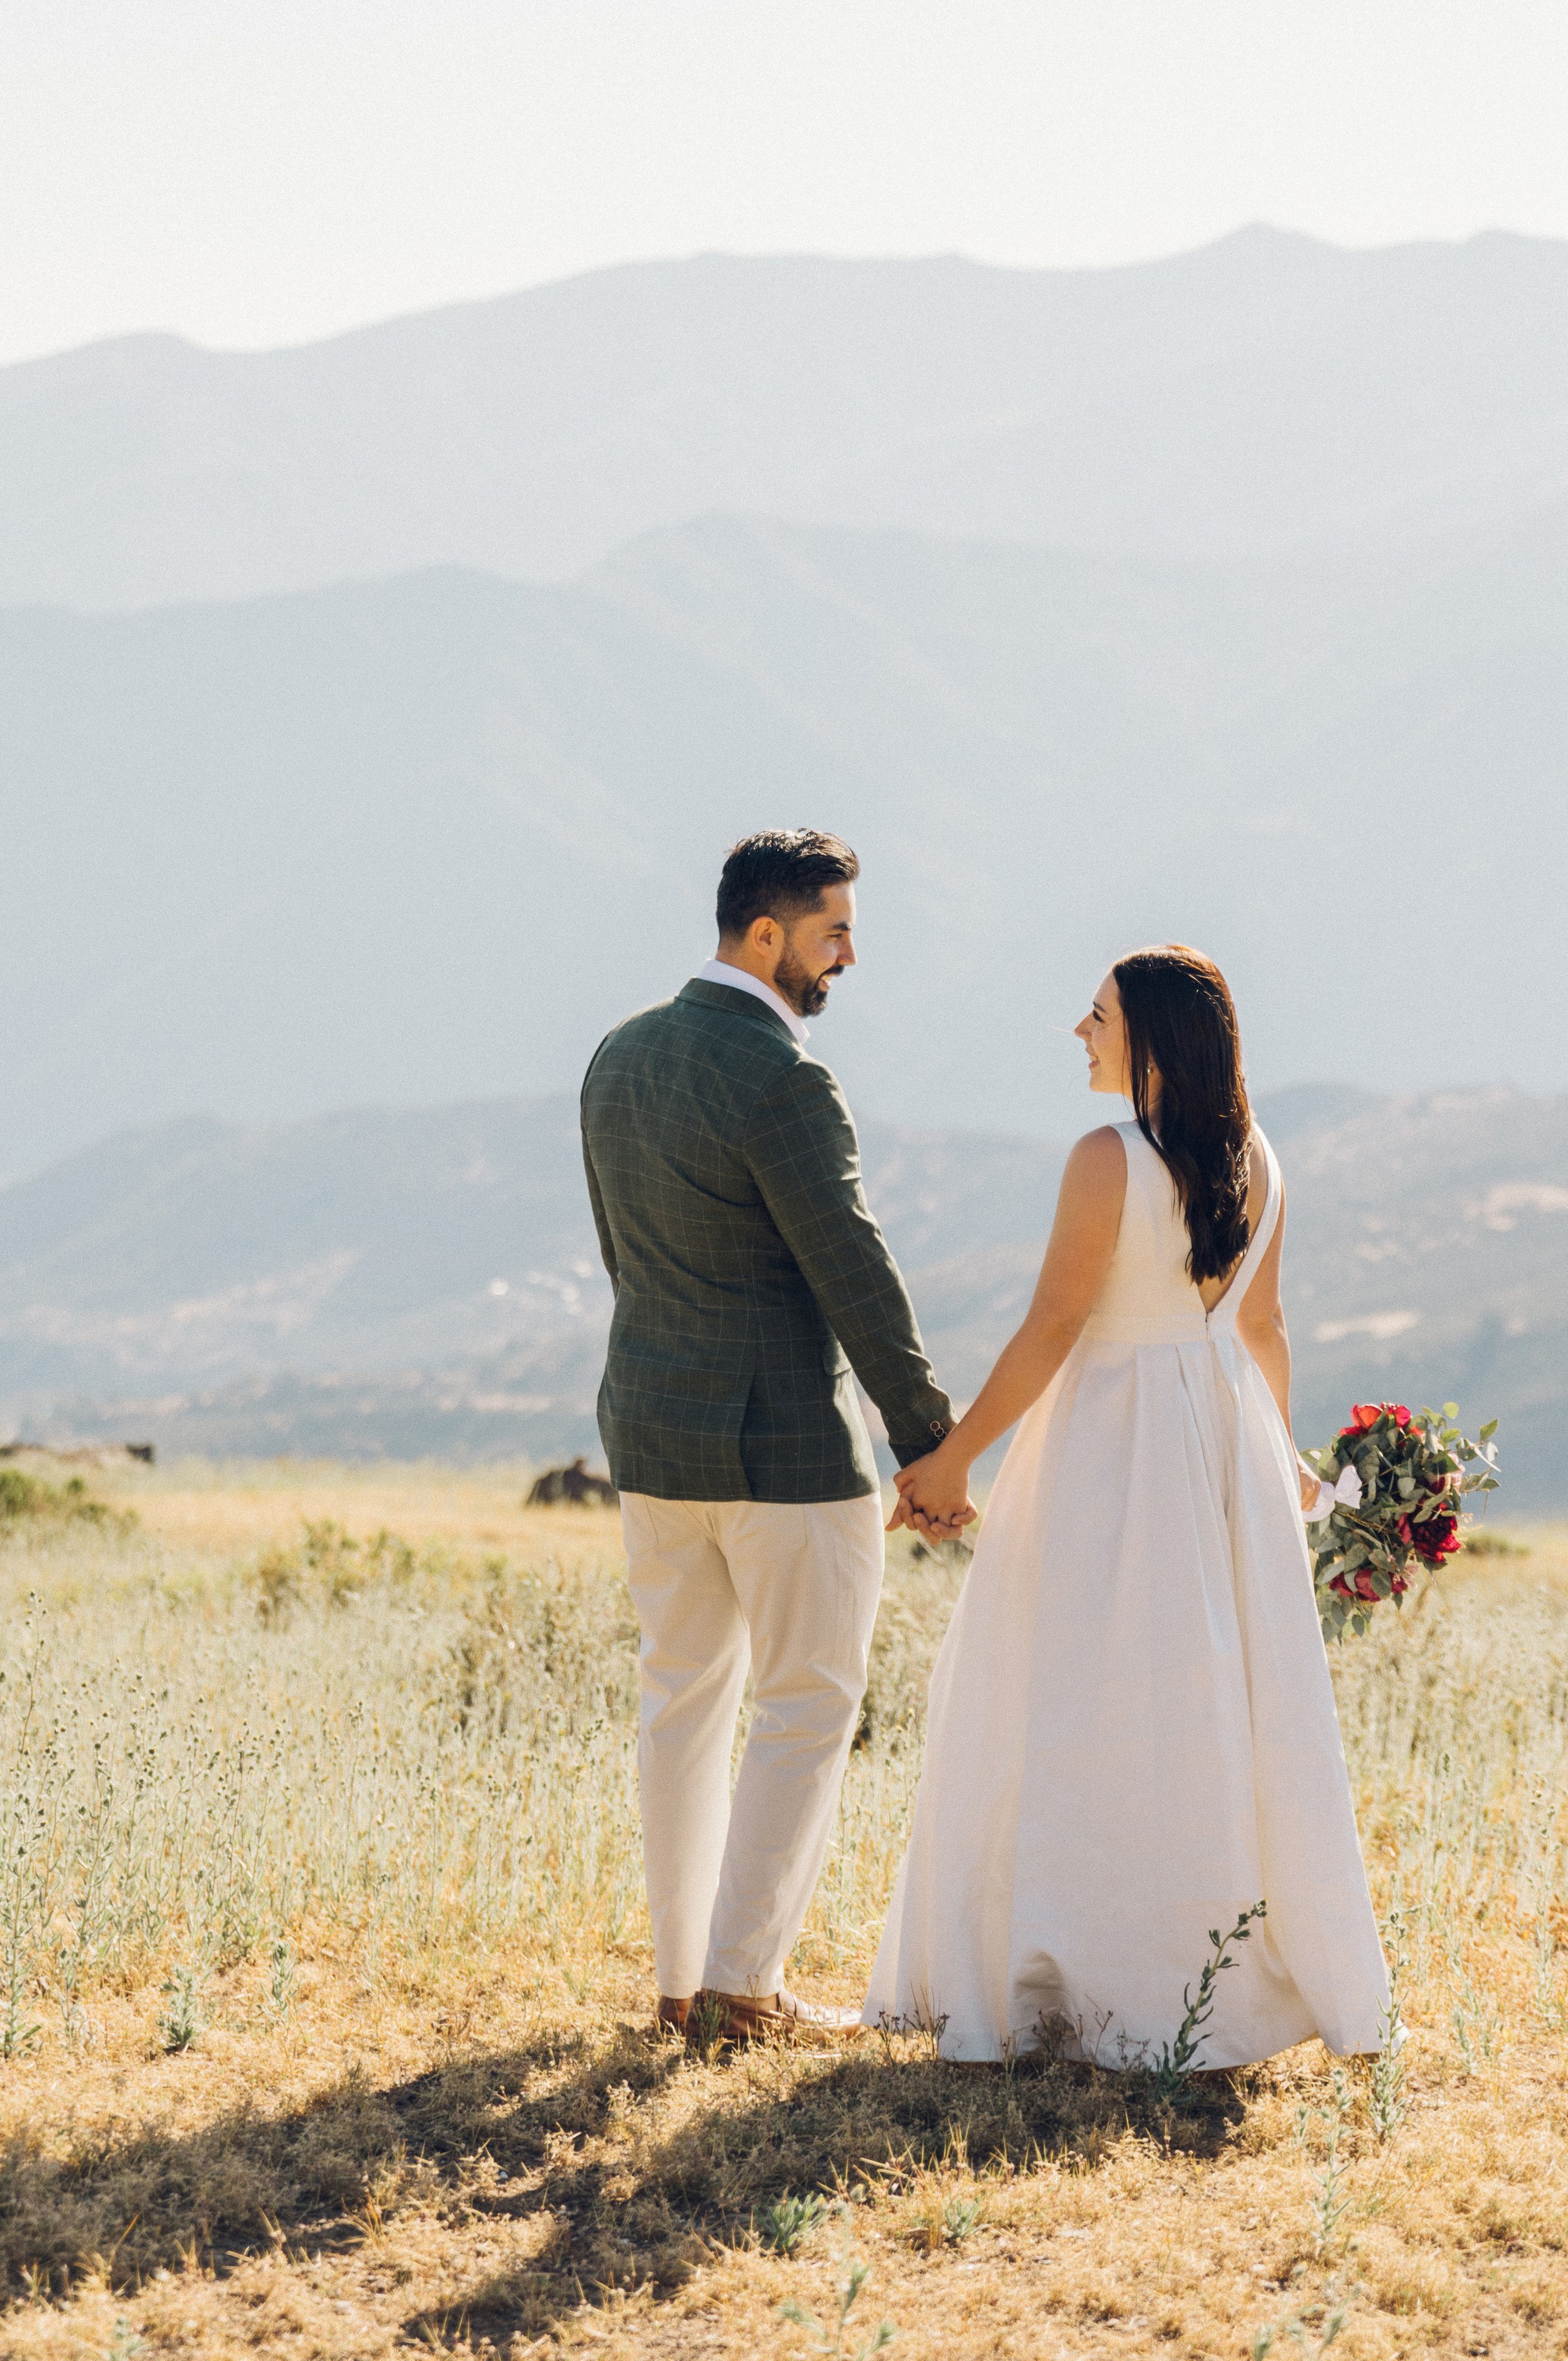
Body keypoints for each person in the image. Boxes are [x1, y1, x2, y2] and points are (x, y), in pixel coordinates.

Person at [866, 944, 1391, 2066]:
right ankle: (1201, 1979)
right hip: (1221, 1442)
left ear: (1150, 1037)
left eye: (1097, 1015)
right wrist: (1285, 1465)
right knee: (1210, 1706)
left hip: (1114, 1445)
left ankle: (1078, 1975)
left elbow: (1054, 1325)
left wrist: (953, 1460)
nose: (1078, 1031)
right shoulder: (1263, 1161)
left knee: (1072, 1696)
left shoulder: (1109, 1156)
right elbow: (1265, 1329)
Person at [580, 828, 963, 2046]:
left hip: (650, 1434)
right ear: (765, 934)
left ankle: (680, 1981)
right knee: (807, 1702)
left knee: (679, 1700)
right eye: (833, 930)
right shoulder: (781, 1076)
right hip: (787, 1450)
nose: (848, 955)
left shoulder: (618, 1057)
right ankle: (746, 1989)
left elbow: (622, 1256)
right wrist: (929, 1445)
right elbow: (852, 1268)